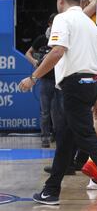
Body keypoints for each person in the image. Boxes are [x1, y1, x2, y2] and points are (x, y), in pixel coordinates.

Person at [19, 0, 97, 209]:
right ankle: (51, 191)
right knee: (65, 139)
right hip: (92, 83)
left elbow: (58, 51)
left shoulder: (63, 19)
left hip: (75, 84)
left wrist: (33, 77)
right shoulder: (91, 25)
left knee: (86, 137)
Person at [25, 13, 58, 148]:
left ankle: (57, 136)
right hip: (45, 80)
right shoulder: (41, 39)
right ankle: (45, 137)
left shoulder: (60, 39)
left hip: (59, 80)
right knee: (45, 111)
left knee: (57, 112)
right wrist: (35, 62)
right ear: (49, 24)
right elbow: (28, 53)